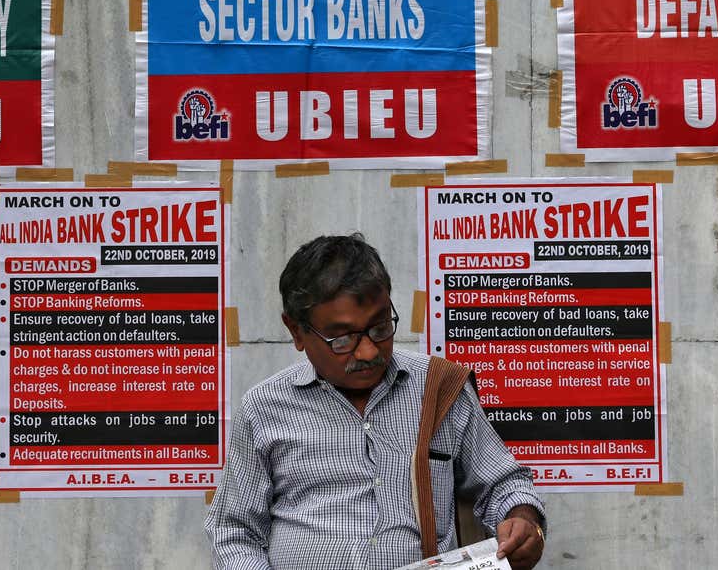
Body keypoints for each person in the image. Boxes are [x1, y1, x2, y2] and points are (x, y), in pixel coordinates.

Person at [206, 234, 546, 570]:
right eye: (343, 339)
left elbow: (505, 482)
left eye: (381, 327)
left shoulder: (439, 388)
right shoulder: (265, 407)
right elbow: (234, 531)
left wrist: (522, 521)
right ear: (296, 331)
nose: (368, 352)